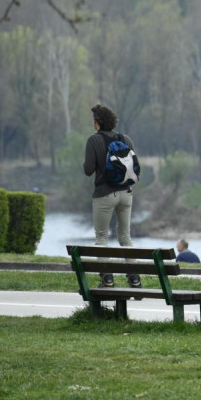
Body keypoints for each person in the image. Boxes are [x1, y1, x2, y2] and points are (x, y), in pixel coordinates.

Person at [83, 104, 140, 289]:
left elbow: (88, 170)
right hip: (126, 194)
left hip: (104, 194)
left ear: (97, 123)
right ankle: (135, 278)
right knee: (125, 237)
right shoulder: (126, 139)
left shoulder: (93, 140)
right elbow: (134, 166)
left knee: (102, 237)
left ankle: (107, 279)